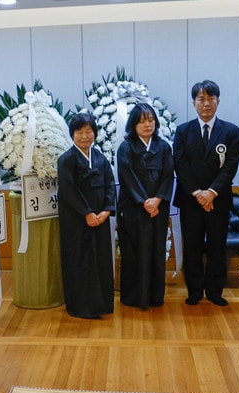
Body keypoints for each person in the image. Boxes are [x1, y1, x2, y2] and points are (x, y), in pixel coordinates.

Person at [174, 80, 239, 306]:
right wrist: (197, 193)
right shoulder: (183, 131)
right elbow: (180, 165)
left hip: (218, 201)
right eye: (201, 99)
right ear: (193, 103)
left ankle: (214, 291)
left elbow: (231, 166)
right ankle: (194, 291)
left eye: (211, 99)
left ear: (218, 102)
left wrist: (211, 192)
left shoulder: (231, 131)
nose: (206, 104)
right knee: (192, 247)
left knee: (217, 247)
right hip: (191, 201)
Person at [57, 113, 116, 319]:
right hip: (76, 222)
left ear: (95, 133)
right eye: (79, 132)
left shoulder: (101, 158)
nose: (84, 136)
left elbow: (110, 185)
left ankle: (102, 305)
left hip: (100, 219)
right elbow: (68, 190)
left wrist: (106, 212)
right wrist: (87, 213)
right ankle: (81, 306)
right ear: (72, 134)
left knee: (100, 260)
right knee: (79, 261)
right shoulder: (66, 160)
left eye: (88, 131)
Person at [116, 102, 173, 310]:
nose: (147, 125)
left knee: (156, 252)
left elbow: (168, 176)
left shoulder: (164, 147)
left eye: (150, 120)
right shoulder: (126, 147)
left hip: (158, 211)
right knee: (135, 253)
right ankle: (134, 297)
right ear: (133, 124)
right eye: (142, 121)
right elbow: (127, 177)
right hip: (134, 210)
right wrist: (143, 201)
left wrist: (157, 200)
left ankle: (155, 297)